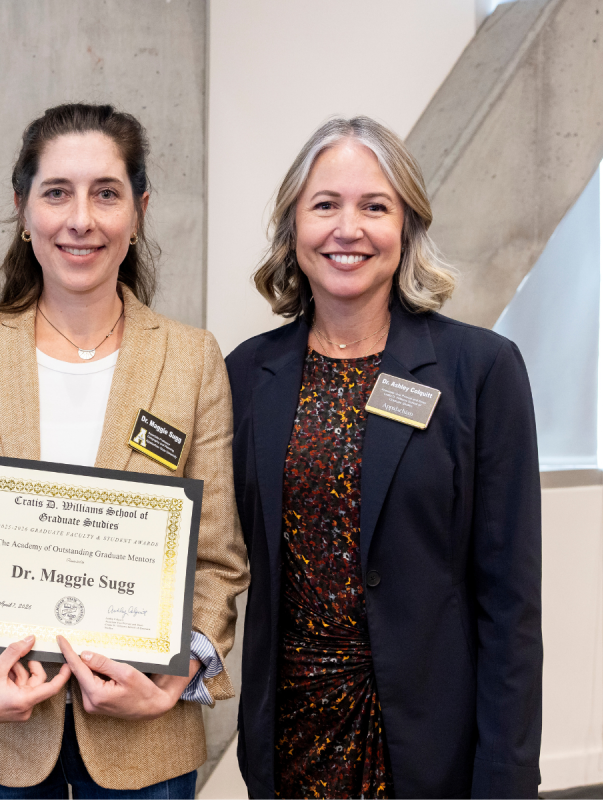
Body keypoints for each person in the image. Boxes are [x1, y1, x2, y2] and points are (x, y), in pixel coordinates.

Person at [0, 103, 249, 797]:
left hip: (144, 738)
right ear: (23, 208)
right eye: (57, 192)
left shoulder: (192, 360)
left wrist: (174, 679)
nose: (81, 219)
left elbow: (217, 558)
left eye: (106, 193)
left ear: (140, 209)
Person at [227, 116, 543, 799]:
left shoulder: (480, 371)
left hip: (430, 742)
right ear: (293, 228)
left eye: (375, 206)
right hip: (291, 740)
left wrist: (507, 778)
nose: (349, 229)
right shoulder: (248, 374)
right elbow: (218, 552)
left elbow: (510, 605)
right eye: (324, 205)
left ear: (407, 228)